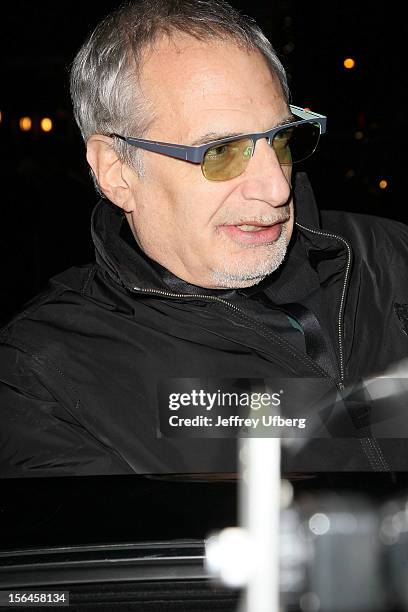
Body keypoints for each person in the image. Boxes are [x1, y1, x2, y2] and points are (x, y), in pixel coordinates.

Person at [1, 0, 408, 478]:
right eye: (221, 152)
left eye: (280, 140)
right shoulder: (43, 378)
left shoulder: (391, 259)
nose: (276, 188)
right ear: (117, 172)